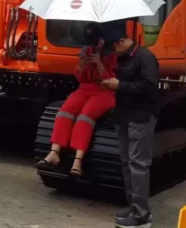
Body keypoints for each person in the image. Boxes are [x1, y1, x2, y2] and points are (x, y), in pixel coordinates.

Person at [37, 23, 119, 177]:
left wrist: (99, 63)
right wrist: (81, 65)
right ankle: (54, 152)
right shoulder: (86, 51)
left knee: (85, 116)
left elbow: (111, 81)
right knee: (64, 112)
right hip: (84, 88)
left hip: (104, 91)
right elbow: (80, 78)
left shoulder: (112, 55)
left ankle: (78, 160)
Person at [100, 24, 160, 228]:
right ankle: (133, 206)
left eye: (113, 48)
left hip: (141, 116)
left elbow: (150, 86)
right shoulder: (124, 58)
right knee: (127, 163)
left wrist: (120, 85)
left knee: (138, 165)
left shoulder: (145, 57)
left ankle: (142, 215)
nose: (113, 52)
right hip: (124, 115)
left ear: (121, 42)